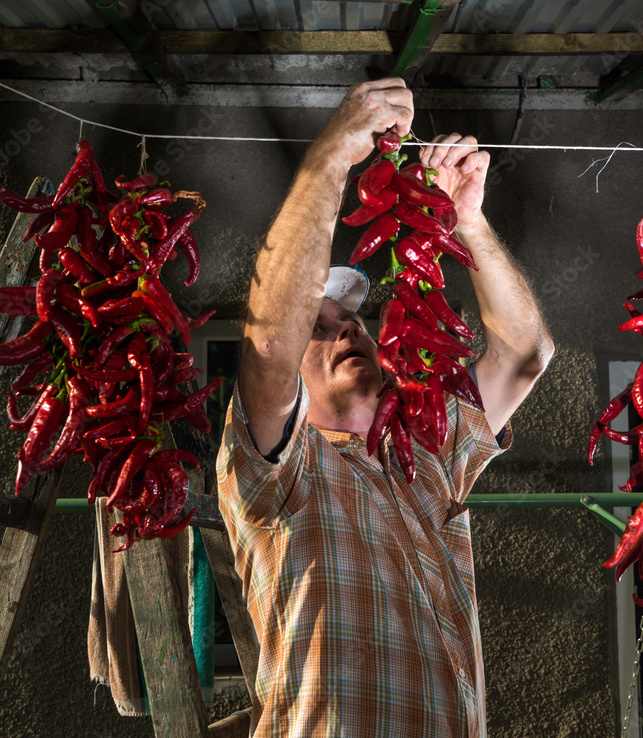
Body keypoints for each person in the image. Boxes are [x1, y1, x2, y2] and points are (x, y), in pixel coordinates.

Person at [217, 78, 554, 737]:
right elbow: (267, 341)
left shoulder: (428, 447)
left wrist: (468, 223)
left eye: (357, 321)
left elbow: (525, 354)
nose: (350, 330)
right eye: (321, 327)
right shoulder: (276, 475)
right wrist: (329, 160)